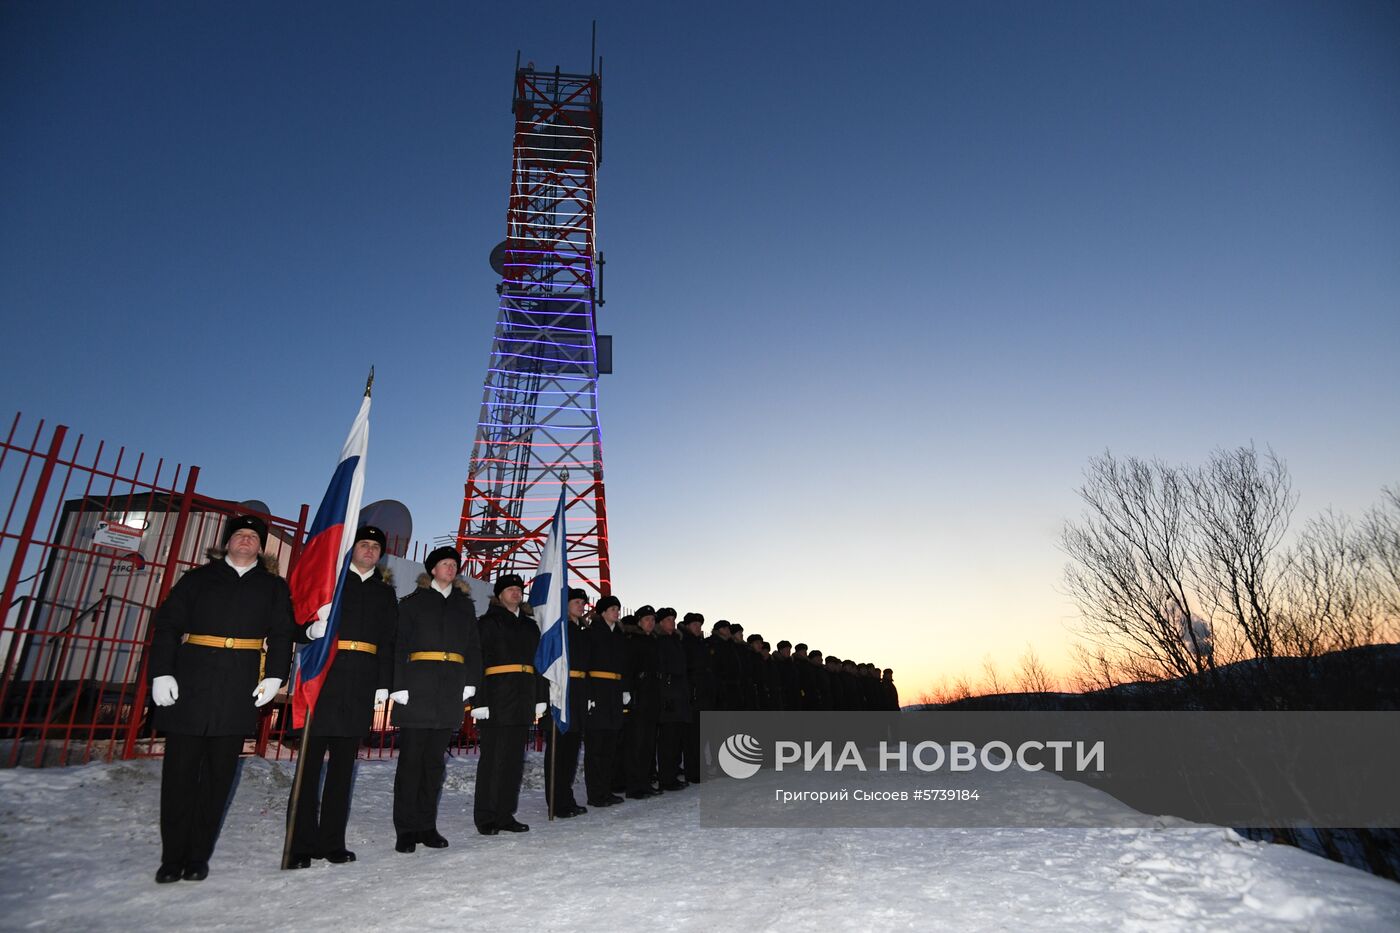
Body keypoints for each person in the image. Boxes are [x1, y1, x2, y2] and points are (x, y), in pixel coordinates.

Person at [148, 514, 294, 884]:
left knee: (218, 778)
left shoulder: (273, 587)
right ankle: (171, 857)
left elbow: (280, 635)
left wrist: (275, 675)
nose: (246, 541)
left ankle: (199, 856)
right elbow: (167, 625)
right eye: (239, 535)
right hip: (191, 685)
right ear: (227, 542)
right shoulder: (197, 579)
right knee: (179, 776)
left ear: (261, 547)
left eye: (252, 537)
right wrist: (162, 671)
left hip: (237, 690)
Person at [286, 525, 397, 868]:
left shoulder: (383, 593)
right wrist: (308, 629)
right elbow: (295, 621)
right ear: (352, 550)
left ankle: (332, 842)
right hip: (325, 680)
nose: (369, 551)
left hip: (360, 683)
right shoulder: (330, 585)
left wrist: (383, 682)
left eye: (375, 547)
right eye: (363, 545)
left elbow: (389, 641)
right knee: (308, 768)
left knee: (342, 771)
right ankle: (299, 844)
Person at [389, 546, 482, 853]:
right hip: (417, 690)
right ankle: (405, 829)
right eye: (444, 564)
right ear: (432, 570)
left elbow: (473, 647)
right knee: (411, 764)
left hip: (448, 692)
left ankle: (426, 826)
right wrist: (398, 685)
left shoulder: (464, 607)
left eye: (454, 564)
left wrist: (471, 682)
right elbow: (398, 643)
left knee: (433, 765)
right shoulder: (413, 603)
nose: (451, 568)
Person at [471, 573, 546, 835]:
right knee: (493, 759)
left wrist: (540, 697)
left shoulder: (529, 626)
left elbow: (539, 663)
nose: (516, 593)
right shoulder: (487, 623)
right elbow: (477, 662)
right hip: (495, 697)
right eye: (510, 589)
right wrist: (477, 701)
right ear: (499, 594)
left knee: (514, 760)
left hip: (523, 696)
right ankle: (486, 816)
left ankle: (505, 814)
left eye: (519, 589)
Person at [542, 587, 591, 819]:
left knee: (571, 751)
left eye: (583, 602)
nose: (582, 606)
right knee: (559, 751)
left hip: (578, 693)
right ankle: (556, 801)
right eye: (577, 602)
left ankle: (566, 796)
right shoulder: (558, 631)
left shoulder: (581, 631)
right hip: (562, 692)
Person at [583, 595, 627, 808]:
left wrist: (625, 688)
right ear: (602, 613)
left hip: (614, 692)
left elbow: (624, 665)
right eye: (612, 609)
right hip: (598, 691)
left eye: (617, 609)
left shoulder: (619, 636)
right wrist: (589, 695)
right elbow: (585, 665)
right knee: (596, 747)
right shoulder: (591, 634)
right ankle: (596, 793)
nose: (616, 612)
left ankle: (606, 789)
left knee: (611, 745)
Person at [622, 605, 661, 798]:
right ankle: (634, 786)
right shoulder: (632, 641)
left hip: (652, 696)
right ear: (639, 622)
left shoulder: (653, 641)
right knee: (636, 743)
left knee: (648, 743)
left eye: (653, 620)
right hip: (638, 696)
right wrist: (627, 692)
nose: (650, 623)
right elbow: (627, 668)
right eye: (646, 619)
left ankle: (644, 782)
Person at [653, 608, 689, 791]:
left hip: (679, 694)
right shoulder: (660, 641)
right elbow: (661, 670)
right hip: (668, 696)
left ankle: (672, 775)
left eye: (673, 619)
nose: (672, 622)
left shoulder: (676, 641)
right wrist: (665, 695)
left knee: (676, 739)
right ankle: (666, 778)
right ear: (660, 623)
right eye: (668, 619)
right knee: (667, 740)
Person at [679, 612, 712, 784]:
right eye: (694, 625)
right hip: (692, 693)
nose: (698, 627)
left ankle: (701, 768)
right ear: (687, 626)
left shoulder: (700, 643)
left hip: (702, 692)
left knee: (701, 734)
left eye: (700, 625)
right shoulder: (685, 642)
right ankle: (693, 771)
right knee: (692, 736)